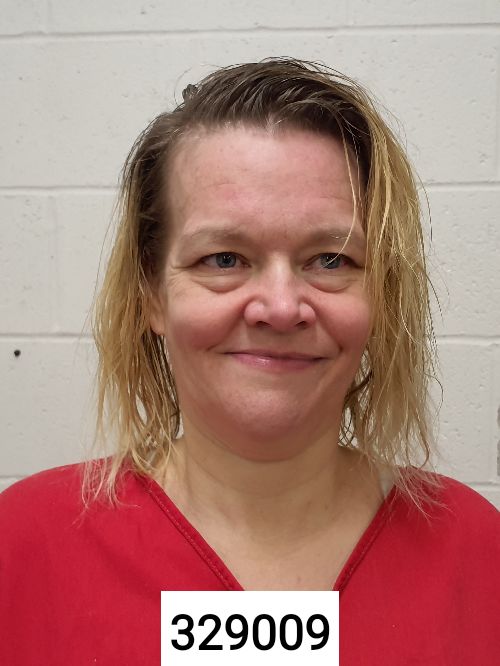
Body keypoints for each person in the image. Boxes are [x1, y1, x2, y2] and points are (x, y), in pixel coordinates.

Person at [0, 58, 498, 665]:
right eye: (224, 259)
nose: (281, 308)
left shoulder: (477, 551)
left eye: (331, 260)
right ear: (152, 295)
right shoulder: (23, 544)